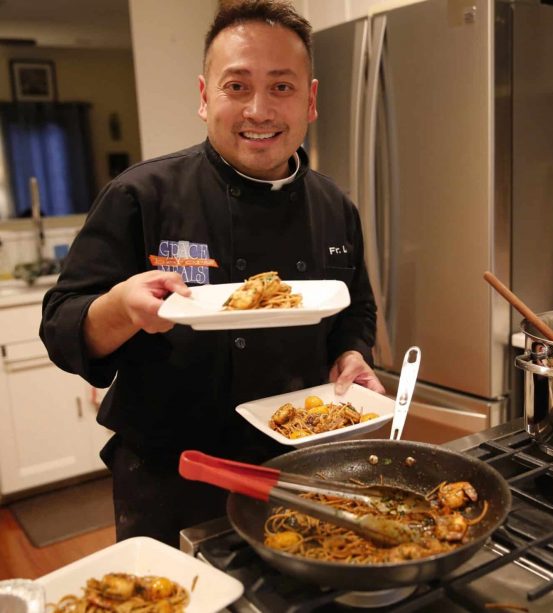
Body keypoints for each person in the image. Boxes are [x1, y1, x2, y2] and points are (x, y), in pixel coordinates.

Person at [40, 0, 384, 547]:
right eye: (237, 86)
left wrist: (352, 355)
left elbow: (355, 308)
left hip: (297, 469)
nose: (259, 110)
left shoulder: (334, 205)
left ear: (311, 100)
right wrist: (120, 308)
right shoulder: (141, 195)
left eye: (281, 87)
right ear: (205, 97)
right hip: (172, 475)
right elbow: (61, 327)